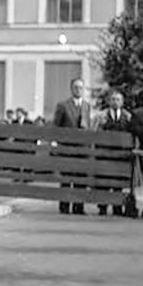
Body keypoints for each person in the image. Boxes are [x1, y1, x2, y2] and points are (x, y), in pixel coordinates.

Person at [53, 77, 92, 215]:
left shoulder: (87, 106)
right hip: (67, 148)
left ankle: (79, 206)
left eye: (81, 87)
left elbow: (89, 126)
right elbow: (56, 126)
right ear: (71, 89)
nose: (78, 90)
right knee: (66, 178)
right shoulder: (63, 105)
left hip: (82, 148)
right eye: (76, 87)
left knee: (80, 179)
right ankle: (64, 206)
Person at [94, 89, 131, 216]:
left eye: (118, 99)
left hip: (120, 155)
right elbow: (95, 132)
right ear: (109, 101)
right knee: (103, 182)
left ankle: (117, 206)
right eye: (113, 99)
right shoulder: (101, 116)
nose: (115, 102)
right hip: (105, 154)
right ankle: (102, 207)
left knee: (118, 182)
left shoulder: (127, 116)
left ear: (122, 102)